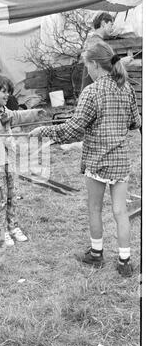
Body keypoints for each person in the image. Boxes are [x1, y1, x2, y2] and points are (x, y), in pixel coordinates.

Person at [29, 42, 141, 277]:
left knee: (94, 209)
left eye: (85, 65)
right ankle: (124, 261)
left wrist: (45, 131)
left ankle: (97, 254)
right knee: (121, 212)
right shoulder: (126, 88)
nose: (86, 69)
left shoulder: (92, 91)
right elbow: (135, 122)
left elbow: (73, 129)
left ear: (93, 65)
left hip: (98, 160)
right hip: (121, 161)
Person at [0, 74, 46, 247]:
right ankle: (1, 231)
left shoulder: (3, 110)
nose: (7, 94)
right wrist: (2, 123)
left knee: (11, 195)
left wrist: (33, 113)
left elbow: (16, 116)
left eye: (8, 91)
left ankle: (13, 227)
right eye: (3, 91)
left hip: (8, 160)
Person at [81, 12, 114, 91]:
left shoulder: (92, 40)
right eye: (111, 24)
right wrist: (123, 61)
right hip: (93, 91)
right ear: (103, 23)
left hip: (90, 89)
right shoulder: (97, 42)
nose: (112, 28)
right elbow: (105, 64)